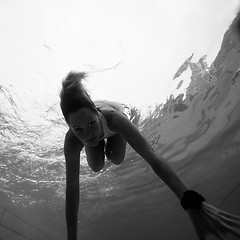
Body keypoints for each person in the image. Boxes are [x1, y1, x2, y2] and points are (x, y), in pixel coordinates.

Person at [60, 71, 240, 240]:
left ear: (96, 113)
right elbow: (72, 190)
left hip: (114, 126)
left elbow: (151, 156)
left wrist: (190, 201)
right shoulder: (72, 141)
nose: (88, 134)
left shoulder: (114, 119)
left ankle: (108, 136)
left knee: (116, 158)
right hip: (98, 126)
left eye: (91, 123)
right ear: (70, 127)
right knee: (96, 166)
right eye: (78, 130)